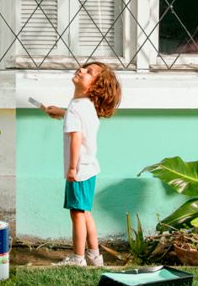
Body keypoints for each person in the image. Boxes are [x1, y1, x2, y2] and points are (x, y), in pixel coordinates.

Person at [43, 62, 122, 266]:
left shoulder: (76, 108)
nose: (81, 70)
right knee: (85, 211)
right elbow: (79, 119)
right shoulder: (85, 106)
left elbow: (77, 137)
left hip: (78, 170)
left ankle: (78, 258)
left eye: (89, 72)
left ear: (94, 88)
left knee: (77, 213)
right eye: (84, 67)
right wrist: (61, 112)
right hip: (89, 168)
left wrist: (71, 168)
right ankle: (95, 256)